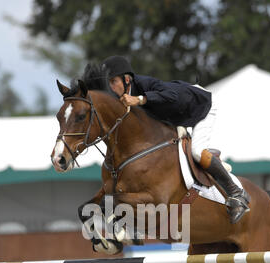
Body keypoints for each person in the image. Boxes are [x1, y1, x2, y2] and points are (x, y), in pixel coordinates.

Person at [102, 55, 250, 224]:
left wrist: (140, 99)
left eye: (114, 81)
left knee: (196, 151)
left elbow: (171, 96)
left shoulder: (144, 85)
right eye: (110, 83)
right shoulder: (123, 97)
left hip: (201, 106)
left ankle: (237, 192)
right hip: (178, 118)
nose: (112, 87)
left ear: (126, 79)